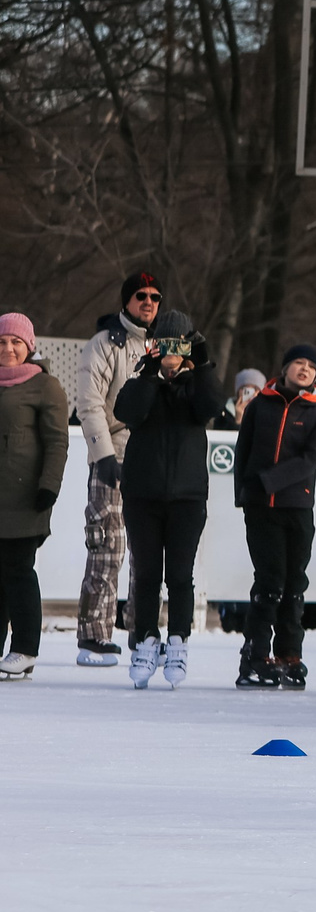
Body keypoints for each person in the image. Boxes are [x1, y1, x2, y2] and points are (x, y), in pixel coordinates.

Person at [110, 311, 222, 688]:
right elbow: (126, 412)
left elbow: (211, 407)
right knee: (145, 575)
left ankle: (178, 640)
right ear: (155, 347)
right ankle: (145, 638)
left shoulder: (195, 386)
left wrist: (202, 366)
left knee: (179, 575)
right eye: (165, 345)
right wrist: (150, 371)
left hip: (188, 496)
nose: (172, 355)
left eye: (179, 346)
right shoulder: (144, 380)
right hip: (143, 493)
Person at [72, 271, 167, 665]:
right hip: (113, 455)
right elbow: (89, 403)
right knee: (107, 546)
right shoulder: (103, 345)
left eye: (155, 296)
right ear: (126, 301)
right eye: (141, 295)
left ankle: (143, 630)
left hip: (153, 460)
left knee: (149, 551)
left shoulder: (166, 347)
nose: (148, 302)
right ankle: (95, 635)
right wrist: (103, 454)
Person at [231, 346, 316, 690]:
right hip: (262, 508)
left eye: (311, 366)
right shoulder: (262, 404)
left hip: (298, 507)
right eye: (299, 364)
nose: (304, 370)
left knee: (294, 583)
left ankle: (290, 653)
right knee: (270, 582)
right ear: (286, 368)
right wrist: (245, 492)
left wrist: (270, 480)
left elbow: (310, 459)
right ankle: (257, 654)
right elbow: (243, 450)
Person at [0, 311, 70, 680]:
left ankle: (25, 648)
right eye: (1, 342)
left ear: (29, 346)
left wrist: (49, 486)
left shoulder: (45, 386)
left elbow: (57, 441)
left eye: (15, 342)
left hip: (26, 496)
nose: (8, 349)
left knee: (17, 570)